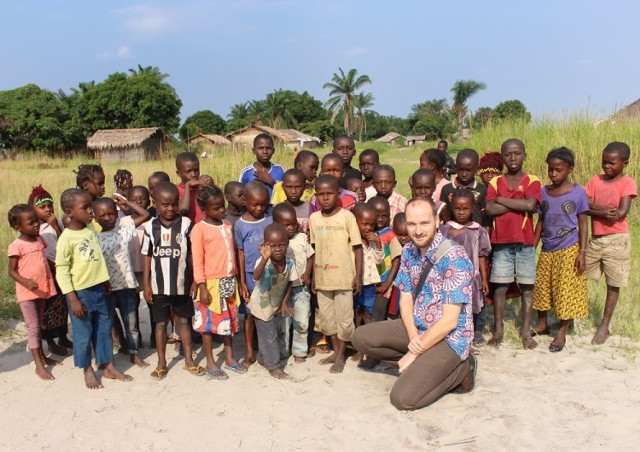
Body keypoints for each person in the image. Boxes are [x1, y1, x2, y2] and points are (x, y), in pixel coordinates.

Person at [352, 198, 476, 410]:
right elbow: (406, 298)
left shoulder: (455, 257)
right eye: (412, 224)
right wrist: (413, 338)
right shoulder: (409, 250)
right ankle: (424, 365)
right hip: (417, 327)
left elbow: (449, 321)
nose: (418, 231)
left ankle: (462, 369)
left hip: (449, 338)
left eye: (424, 223)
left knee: (403, 399)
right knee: (361, 338)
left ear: (437, 221)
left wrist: (415, 352)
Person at [55, 188, 132, 389]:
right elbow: (62, 270)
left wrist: (105, 280)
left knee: (104, 329)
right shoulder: (66, 239)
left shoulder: (90, 230)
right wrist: (72, 298)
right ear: (69, 212)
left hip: (100, 288)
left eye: (91, 206)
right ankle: (87, 369)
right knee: (83, 333)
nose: (91, 211)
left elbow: (96, 258)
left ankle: (108, 365)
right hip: (81, 294)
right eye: (85, 207)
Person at [142, 182, 204, 380]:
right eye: (164, 204)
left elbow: (193, 253)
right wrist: (146, 284)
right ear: (155, 204)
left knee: (185, 322)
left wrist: (195, 279)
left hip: (182, 285)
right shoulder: (150, 227)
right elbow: (148, 256)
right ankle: (161, 363)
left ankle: (189, 361)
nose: (170, 209)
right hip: (159, 287)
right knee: (160, 324)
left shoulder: (186, 224)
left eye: (174, 204)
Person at [485, 138, 541, 349]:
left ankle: (526, 332)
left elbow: (530, 204)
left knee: (527, 287)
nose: (513, 158)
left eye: (517, 153)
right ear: (503, 157)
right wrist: (518, 204)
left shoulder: (532, 180)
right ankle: (498, 331)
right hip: (501, 243)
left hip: (525, 243)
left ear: (524, 155)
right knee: (500, 286)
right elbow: (489, 209)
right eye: (508, 154)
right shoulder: (495, 182)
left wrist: (502, 200)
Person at [532, 148, 589, 352]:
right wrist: (533, 246)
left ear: (569, 169)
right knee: (542, 287)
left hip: (569, 248)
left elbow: (583, 224)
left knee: (566, 290)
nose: (553, 174)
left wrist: (582, 252)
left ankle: (562, 331)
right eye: (550, 169)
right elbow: (541, 222)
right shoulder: (543, 193)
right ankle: (542, 323)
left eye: (558, 170)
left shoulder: (578, 193)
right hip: (547, 248)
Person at [309, 175, 363, 373]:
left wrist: (357, 276)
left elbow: (357, 248)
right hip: (323, 278)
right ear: (315, 196)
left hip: (343, 278)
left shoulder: (347, 217)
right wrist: (314, 277)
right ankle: (336, 350)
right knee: (328, 321)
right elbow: (315, 250)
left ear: (337, 193)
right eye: (321, 194)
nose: (325, 198)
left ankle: (341, 355)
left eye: (329, 194)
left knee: (345, 321)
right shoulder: (314, 219)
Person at [191, 185, 246, 380]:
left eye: (222, 206)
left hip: (228, 280)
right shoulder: (199, 229)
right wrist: (202, 286)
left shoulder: (228, 226)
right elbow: (197, 259)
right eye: (215, 208)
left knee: (227, 322)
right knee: (209, 324)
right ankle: (210, 361)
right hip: (210, 283)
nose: (221, 210)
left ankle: (230, 358)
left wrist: (238, 280)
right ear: (204, 209)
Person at [584, 141, 637, 345]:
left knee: (613, 284)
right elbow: (583, 204)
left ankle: (605, 325)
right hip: (596, 239)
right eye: (604, 162)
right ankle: (572, 313)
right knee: (580, 275)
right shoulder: (595, 180)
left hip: (617, 240)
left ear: (625, 163)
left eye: (612, 163)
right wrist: (604, 210)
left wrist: (595, 209)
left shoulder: (627, 182)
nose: (607, 166)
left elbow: (621, 213)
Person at [93, 196, 151, 367]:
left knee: (131, 323)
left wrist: (126, 203)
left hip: (127, 285)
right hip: (107, 288)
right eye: (102, 215)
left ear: (117, 214)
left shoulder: (123, 228)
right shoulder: (95, 239)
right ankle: (109, 356)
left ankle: (134, 353)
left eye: (111, 213)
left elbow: (145, 214)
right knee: (107, 323)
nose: (108, 218)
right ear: (95, 217)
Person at [7, 204, 61, 380]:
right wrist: (25, 281)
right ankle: (39, 366)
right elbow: (12, 271)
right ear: (18, 227)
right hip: (27, 293)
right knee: (33, 327)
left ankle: (43, 357)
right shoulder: (17, 245)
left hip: (41, 290)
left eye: (36, 221)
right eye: (31, 223)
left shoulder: (39, 240)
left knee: (39, 324)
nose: (36, 225)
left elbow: (43, 259)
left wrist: (56, 269)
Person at [439, 189, 491, 346]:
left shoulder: (478, 230)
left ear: (473, 207)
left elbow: (481, 255)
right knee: (453, 305)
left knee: (476, 303)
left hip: (472, 276)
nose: (461, 212)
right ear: (451, 207)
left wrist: (483, 278)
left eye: (465, 208)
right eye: (457, 208)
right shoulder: (445, 230)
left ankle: (477, 331)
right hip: (450, 276)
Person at [28, 185, 73, 356]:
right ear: (33, 209)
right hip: (45, 273)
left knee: (61, 307)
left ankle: (62, 336)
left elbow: (65, 243)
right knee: (47, 310)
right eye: (42, 207)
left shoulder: (57, 224)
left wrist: (56, 226)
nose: (47, 210)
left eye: (50, 206)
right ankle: (51, 343)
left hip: (60, 271)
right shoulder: (33, 229)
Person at [249, 224, 298, 379]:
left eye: (281, 245)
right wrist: (264, 259)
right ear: (265, 245)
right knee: (269, 336)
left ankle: (263, 359)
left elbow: (290, 282)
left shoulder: (289, 262)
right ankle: (274, 367)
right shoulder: (263, 262)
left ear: (287, 244)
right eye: (273, 245)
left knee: (272, 334)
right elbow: (256, 276)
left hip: (275, 305)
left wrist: (285, 302)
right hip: (261, 307)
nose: (278, 249)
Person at [234, 181, 273, 367]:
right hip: (249, 275)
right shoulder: (240, 225)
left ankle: (267, 351)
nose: (259, 208)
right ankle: (250, 352)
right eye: (254, 204)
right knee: (249, 314)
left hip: (269, 273)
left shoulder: (269, 219)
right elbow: (240, 253)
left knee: (267, 312)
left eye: (263, 204)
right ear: (245, 201)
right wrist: (241, 281)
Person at [272, 203, 314, 363]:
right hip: (282, 290)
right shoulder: (276, 242)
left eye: (293, 223)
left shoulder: (302, 238)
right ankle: (283, 351)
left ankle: (300, 351)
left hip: (301, 288)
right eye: (286, 225)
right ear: (276, 224)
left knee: (301, 320)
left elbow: (311, 256)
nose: (291, 228)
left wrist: (308, 272)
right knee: (283, 322)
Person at [367, 196, 402, 323]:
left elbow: (396, 259)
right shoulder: (364, 233)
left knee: (378, 314)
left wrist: (388, 283)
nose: (381, 219)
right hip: (367, 283)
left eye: (385, 216)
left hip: (383, 283)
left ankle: (377, 341)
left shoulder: (390, 235)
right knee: (364, 312)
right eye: (377, 216)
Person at [352, 203, 384, 332]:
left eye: (371, 224)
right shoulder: (352, 241)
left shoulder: (373, 240)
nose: (368, 228)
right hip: (355, 283)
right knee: (355, 312)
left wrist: (378, 243)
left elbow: (379, 260)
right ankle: (357, 339)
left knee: (368, 312)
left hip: (369, 284)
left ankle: (368, 336)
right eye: (364, 224)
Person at [440, 149, 487, 225]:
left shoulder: (482, 190)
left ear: (477, 169)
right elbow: (443, 215)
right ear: (456, 167)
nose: (464, 174)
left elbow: (486, 219)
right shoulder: (447, 189)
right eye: (461, 169)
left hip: (475, 234)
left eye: (468, 170)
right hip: (452, 234)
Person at [239, 133, 285, 198]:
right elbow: (241, 196)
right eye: (261, 148)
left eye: (268, 148)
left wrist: (271, 182)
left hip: (276, 208)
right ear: (254, 151)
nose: (265, 151)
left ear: (273, 151)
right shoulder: (246, 173)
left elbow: (286, 192)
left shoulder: (279, 170)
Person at [175, 151, 213, 224]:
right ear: (178, 173)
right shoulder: (175, 190)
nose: (193, 174)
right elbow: (183, 210)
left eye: (196, 170)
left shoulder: (202, 187)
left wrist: (209, 187)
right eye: (188, 171)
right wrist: (187, 185)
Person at [275, 169, 311, 233]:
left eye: (297, 187)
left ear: (304, 187)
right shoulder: (277, 209)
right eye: (289, 187)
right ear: (283, 187)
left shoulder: (310, 209)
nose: (293, 191)